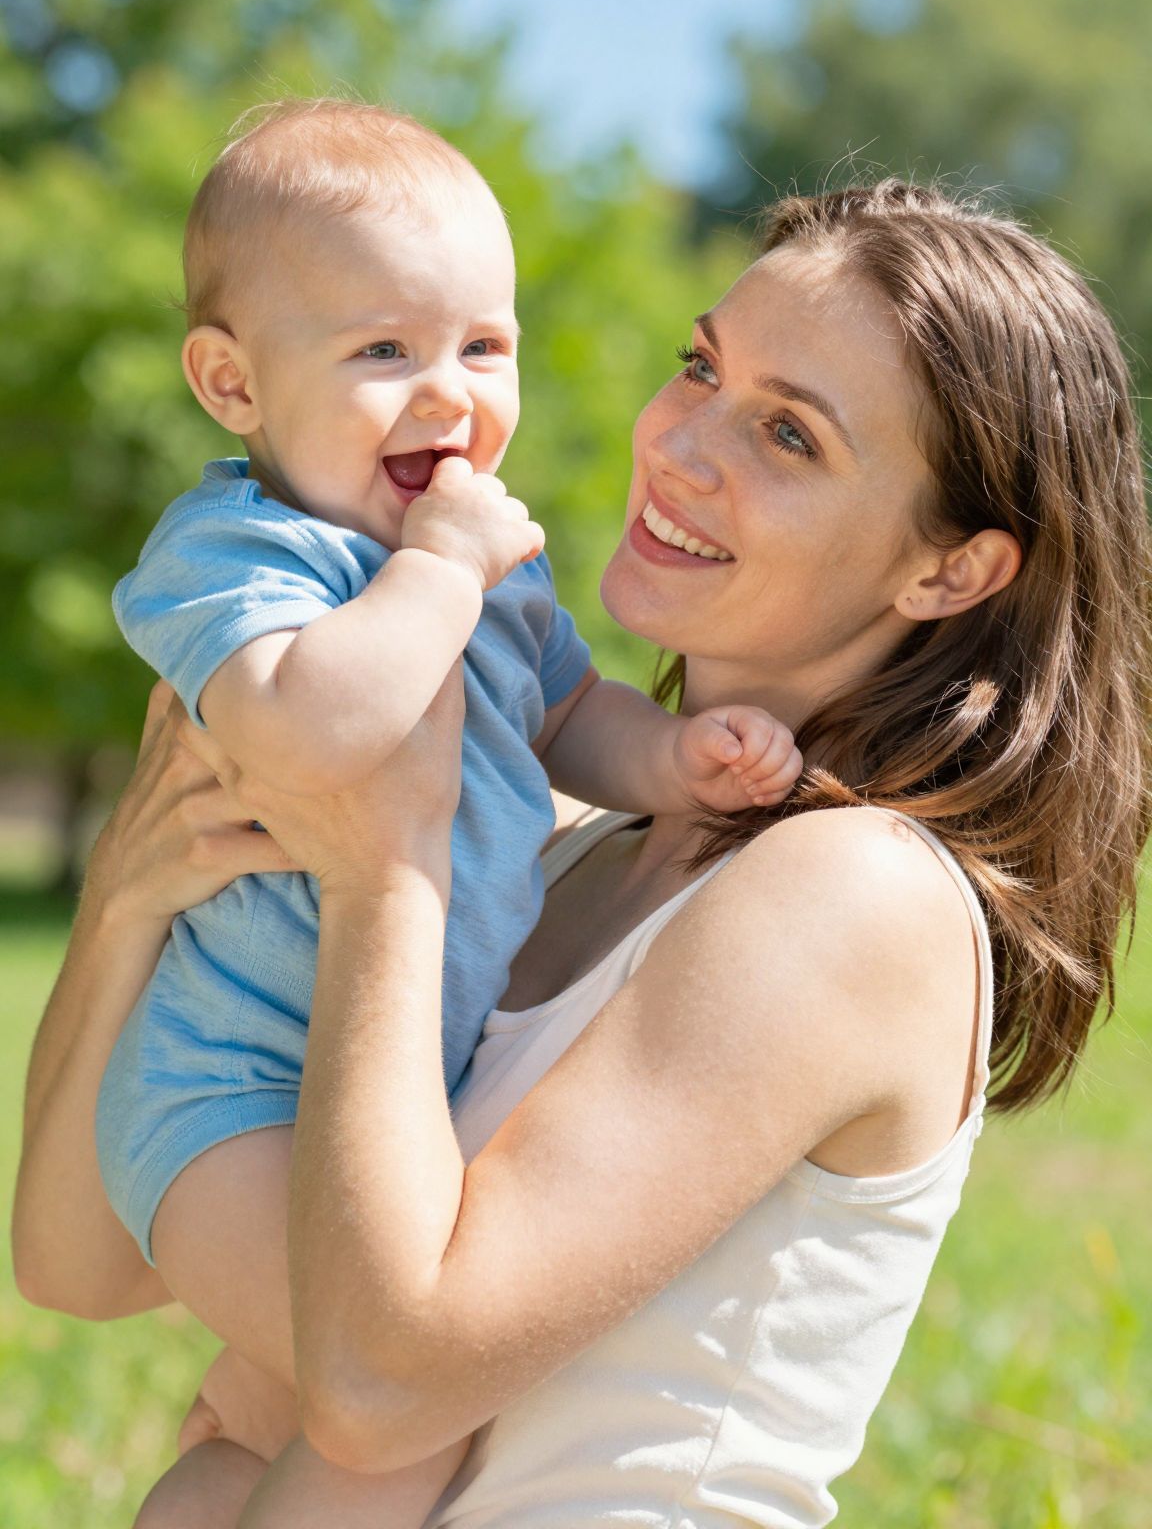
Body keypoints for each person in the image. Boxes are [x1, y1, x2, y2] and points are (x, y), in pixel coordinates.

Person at [14, 180, 1150, 1529]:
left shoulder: (858, 891)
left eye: (789, 433)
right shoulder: (543, 851)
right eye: (701, 368)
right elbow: (75, 1260)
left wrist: (387, 873)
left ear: (950, 573)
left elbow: (376, 1392)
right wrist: (130, 900)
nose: (680, 444)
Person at [91, 96, 801, 1525]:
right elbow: (313, 729)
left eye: (484, 346)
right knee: (399, 1420)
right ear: (232, 385)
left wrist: (671, 761)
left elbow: (563, 713)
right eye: (381, 352)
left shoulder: (476, 563)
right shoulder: (240, 553)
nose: (447, 394)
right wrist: (440, 573)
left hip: (375, 1092)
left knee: (264, 1416)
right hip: (224, 1098)